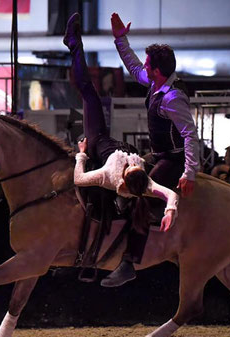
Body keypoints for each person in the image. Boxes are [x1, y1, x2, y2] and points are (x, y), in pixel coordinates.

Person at [64, 13, 179, 287]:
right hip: (125, 149)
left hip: (100, 143)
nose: (138, 164)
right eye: (140, 166)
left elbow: (79, 178)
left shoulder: (108, 175)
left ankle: (73, 44)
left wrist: (81, 153)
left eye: (136, 166)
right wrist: (170, 210)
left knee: (88, 93)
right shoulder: (145, 180)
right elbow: (169, 194)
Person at [111, 13, 200, 196]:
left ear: (157, 71)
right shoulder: (155, 82)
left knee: (142, 191)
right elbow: (135, 68)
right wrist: (120, 38)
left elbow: (190, 134)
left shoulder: (172, 98)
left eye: (147, 64)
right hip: (158, 155)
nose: (144, 66)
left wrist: (189, 173)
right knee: (127, 178)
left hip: (174, 159)